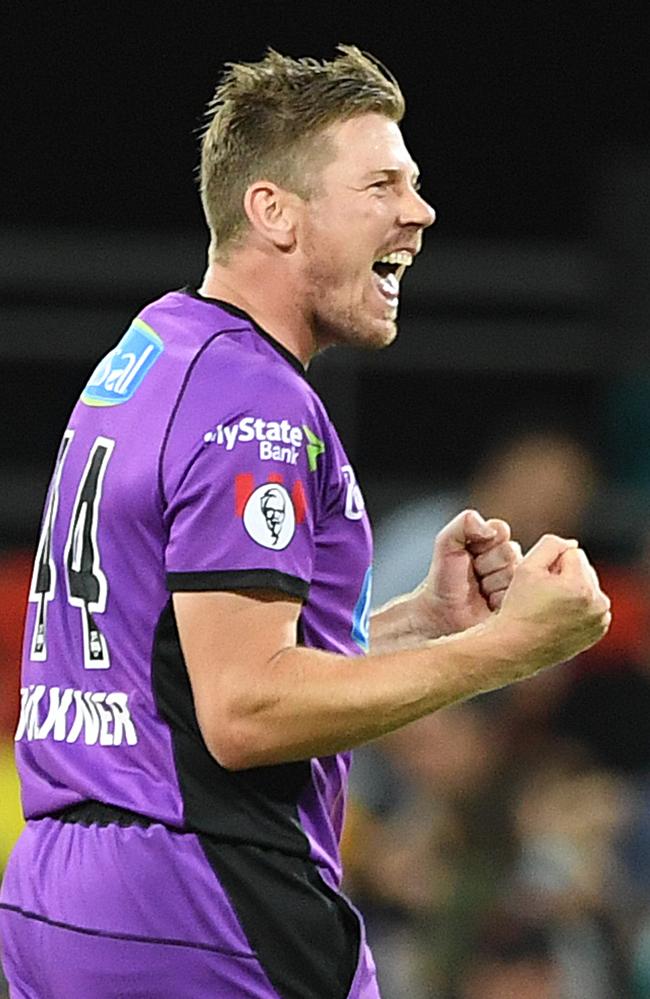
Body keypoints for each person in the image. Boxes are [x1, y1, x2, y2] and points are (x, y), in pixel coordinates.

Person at [0, 45, 610, 999]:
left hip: (61, 897)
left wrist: (417, 624)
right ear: (274, 210)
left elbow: (187, 655)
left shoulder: (155, 351)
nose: (420, 210)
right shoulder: (257, 406)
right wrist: (514, 652)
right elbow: (244, 712)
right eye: (383, 183)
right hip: (204, 899)